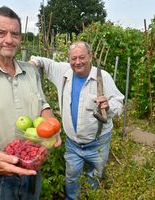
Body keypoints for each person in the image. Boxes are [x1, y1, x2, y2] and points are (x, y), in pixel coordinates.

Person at [0, 6, 61, 200]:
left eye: (15, 34)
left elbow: (43, 106)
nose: (9, 39)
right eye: (1, 33)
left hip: (32, 168)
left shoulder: (31, 72)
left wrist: (51, 127)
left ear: (20, 39)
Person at [30, 41, 124, 200]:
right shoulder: (63, 72)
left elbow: (119, 103)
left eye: (82, 57)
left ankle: (90, 196)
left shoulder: (102, 77)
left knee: (95, 175)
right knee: (72, 177)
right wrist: (33, 62)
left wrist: (108, 106)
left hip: (98, 143)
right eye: (73, 58)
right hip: (73, 144)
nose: (77, 62)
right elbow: (44, 62)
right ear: (69, 59)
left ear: (91, 56)